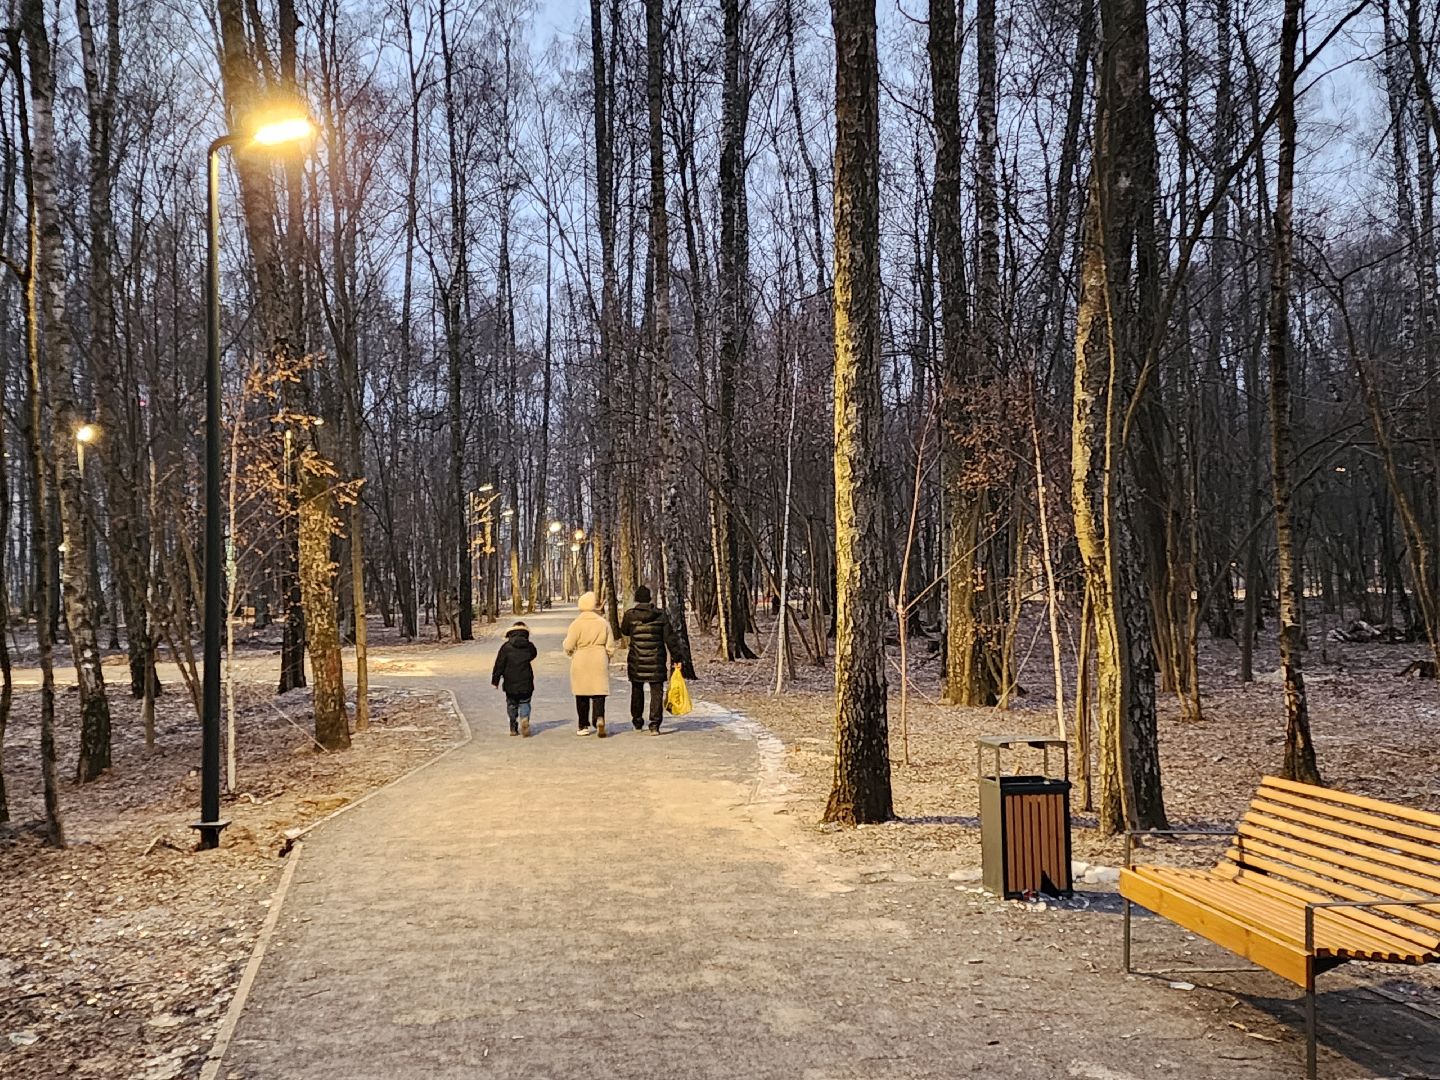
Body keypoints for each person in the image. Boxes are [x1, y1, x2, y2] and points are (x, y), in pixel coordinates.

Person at [621, 585, 687, 735]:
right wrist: (677, 658)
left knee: (637, 690)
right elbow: (670, 638)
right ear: (649, 598)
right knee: (656, 691)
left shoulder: (630, 615)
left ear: (637, 599)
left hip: (636, 659)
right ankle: (654, 725)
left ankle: (637, 721)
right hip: (656, 659)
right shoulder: (661, 615)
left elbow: (624, 631)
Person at [563, 591, 616, 737]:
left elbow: (568, 645)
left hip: (581, 659)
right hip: (599, 657)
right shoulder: (603, 623)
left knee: (581, 694)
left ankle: (583, 725)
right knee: (599, 692)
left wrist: (570, 653)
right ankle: (599, 717)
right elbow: (610, 645)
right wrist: (607, 656)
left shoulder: (576, 624)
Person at [491, 621, 537, 737]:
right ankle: (524, 718)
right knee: (525, 702)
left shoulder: (506, 647)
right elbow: (533, 655)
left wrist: (495, 681)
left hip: (510, 682)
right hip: (526, 680)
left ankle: (513, 725)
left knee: (512, 703)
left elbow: (499, 664)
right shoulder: (529, 646)